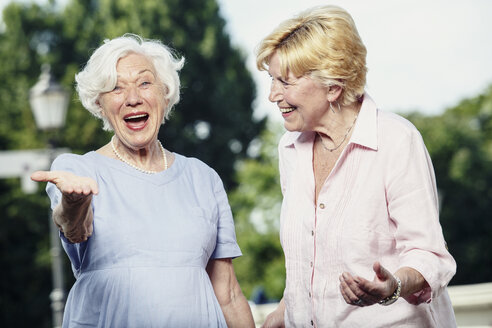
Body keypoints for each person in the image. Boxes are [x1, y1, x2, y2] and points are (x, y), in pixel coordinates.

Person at [31, 34, 254, 328]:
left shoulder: (203, 178)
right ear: (99, 103)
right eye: (115, 88)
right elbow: (73, 228)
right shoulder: (78, 169)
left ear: (165, 93)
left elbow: (228, 294)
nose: (133, 98)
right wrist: (74, 203)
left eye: (145, 83)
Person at [255, 5, 457, 327]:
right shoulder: (290, 148)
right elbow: (310, 261)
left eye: (285, 82)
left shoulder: (396, 139)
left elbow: (429, 254)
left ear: (333, 86)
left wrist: (392, 286)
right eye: (271, 80)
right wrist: (284, 311)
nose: (272, 95)